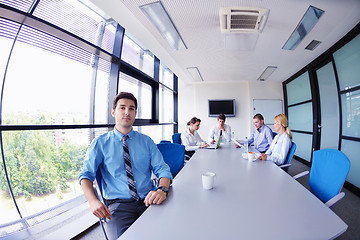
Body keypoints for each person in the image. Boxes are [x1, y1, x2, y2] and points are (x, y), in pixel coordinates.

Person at [78, 92, 172, 239]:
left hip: (148, 199)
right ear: (113, 112)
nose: (127, 112)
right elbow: (85, 176)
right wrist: (92, 201)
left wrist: (162, 189)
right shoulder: (100, 143)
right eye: (122, 108)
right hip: (118, 205)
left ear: (135, 113)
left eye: (132, 108)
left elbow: (163, 169)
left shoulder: (147, 142)